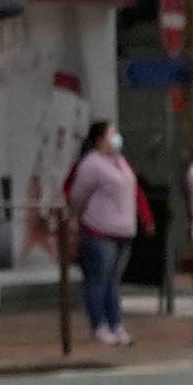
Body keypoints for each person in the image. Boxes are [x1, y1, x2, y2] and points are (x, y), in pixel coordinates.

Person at [56, 113, 146, 353]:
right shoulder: (92, 164)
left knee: (113, 282)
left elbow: (133, 191)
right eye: (111, 133)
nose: (116, 138)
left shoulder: (121, 161)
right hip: (98, 232)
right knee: (98, 280)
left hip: (123, 233)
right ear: (98, 140)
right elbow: (77, 196)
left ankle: (116, 324)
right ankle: (100, 326)